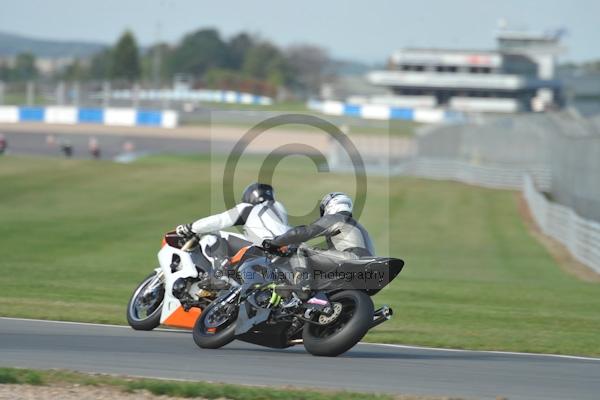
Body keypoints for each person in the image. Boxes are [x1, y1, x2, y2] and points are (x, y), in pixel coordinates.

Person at [262, 192, 375, 298]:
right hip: (366, 266)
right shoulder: (361, 228)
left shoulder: (337, 218)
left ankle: (303, 286)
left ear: (331, 205)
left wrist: (274, 242)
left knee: (299, 248)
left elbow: (302, 233)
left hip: (351, 259)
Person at [176, 183, 290, 270]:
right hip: (282, 254)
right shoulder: (279, 208)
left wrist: (191, 227)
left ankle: (221, 275)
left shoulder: (249, 208)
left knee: (211, 236)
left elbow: (219, 221)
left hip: (262, 251)